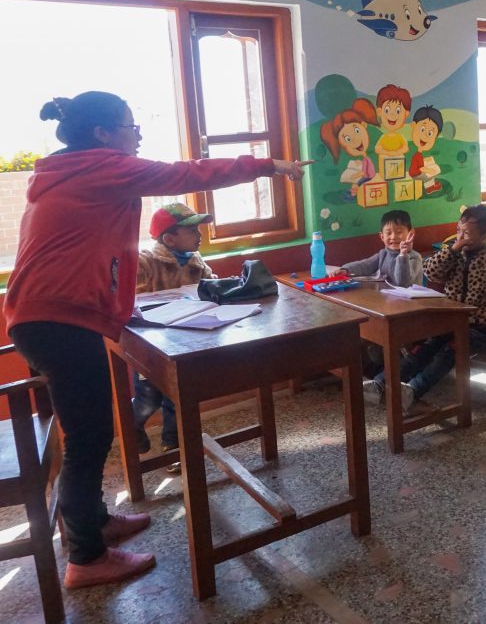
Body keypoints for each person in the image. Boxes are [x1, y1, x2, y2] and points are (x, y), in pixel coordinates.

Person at [4, 91, 307, 589]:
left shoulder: (69, 169)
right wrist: (271, 164)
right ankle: (86, 558)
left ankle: (94, 523)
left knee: (88, 433)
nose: (137, 132)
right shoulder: (102, 166)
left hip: (40, 316)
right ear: (102, 133)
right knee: (87, 439)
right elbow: (188, 173)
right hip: (59, 320)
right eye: (129, 124)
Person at [375, 205, 486, 414]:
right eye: (459, 230)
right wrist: (453, 250)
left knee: (447, 352)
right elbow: (431, 271)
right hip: (449, 321)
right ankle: (381, 382)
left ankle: (413, 390)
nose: (461, 236)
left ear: (485, 235)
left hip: (479, 327)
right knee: (423, 348)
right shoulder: (452, 253)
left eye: (468, 233)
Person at [132, 202, 216, 472]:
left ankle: (174, 446)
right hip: (150, 347)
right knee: (149, 399)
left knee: (177, 396)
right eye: (192, 230)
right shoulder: (145, 262)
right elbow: (135, 301)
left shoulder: (196, 261)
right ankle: (132, 424)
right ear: (169, 239)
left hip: (185, 343)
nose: (199, 234)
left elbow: (210, 286)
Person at [332, 209, 423, 286]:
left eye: (399, 232)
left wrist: (403, 255)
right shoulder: (383, 254)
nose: (393, 237)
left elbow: (403, 283)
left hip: (411, 304)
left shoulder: (414, 257)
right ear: (382, 236)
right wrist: (345, 270)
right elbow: (365, 265)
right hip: (389, 300)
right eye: (388, 233)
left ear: (411, 233)